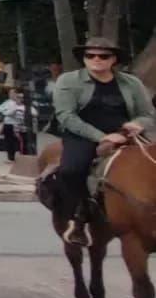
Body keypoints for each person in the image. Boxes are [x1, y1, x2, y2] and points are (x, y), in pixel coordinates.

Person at [49, 37, 155, 244]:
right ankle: (78, 218)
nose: (97, 59)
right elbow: (66, 116)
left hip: (126, 135)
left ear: (113, 59)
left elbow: (148, 114)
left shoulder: (131, 82)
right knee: (71, 170)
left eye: (103, 56)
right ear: (84, 59)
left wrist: (137, 125)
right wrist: (102, 137)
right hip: (83, 135)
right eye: (90, 56)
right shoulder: (68, 81)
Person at [0, 87, 29, 163]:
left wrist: (6, 111)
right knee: (8, 141)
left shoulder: (18, 104)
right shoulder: (8, 102)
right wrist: (5, 110)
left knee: (17, 141)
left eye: (12, 93)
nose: (10, 95)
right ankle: (10, 157)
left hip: (16, 125)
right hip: (7, 124)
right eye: (9, 93)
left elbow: (10, 112)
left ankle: (21, 157)